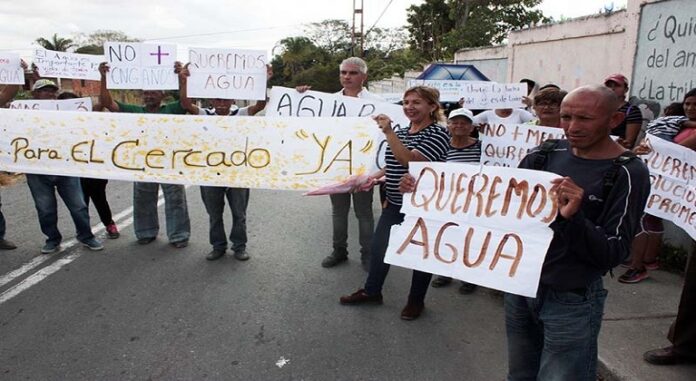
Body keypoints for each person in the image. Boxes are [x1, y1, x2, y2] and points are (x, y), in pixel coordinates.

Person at [505, 85, 650, 380]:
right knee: (520, 374)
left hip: (570, 299)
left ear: (614, 119)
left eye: (584, 118)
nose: (572, 127)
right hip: (521, 288)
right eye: (566, 116)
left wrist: (574, 218)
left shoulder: (627, 171)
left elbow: (613, 252)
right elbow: (495, 206)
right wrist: (427, 192)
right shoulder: (543, 155)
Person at [339, 86, 450, 320]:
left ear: (432, 106)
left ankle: (415, 300)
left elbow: (409, 161)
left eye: (416, 102)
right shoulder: (404, 131)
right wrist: (373, 177)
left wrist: (389, 132)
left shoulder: (438, 134)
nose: (409, 107)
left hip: (425, 207)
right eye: (406, 102)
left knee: (421, 254)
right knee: (380, 249)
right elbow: (393, 163)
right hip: (395, 203)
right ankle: (372, 291)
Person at [178, 64, 272, 261]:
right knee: (214, 215)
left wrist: (264, 80)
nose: (221, 103)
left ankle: (239, 246)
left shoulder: (242, 114)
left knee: (239, 214)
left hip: (238, 175)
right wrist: (184, 81)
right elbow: (186, 104)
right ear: (212, 100)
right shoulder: (205, 115)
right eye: (218, 99)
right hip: (211, 175)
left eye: (225, 99)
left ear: (232, 100)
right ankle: (218, 246)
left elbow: (261, 105)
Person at [301, 57, 381, 270]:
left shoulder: (377, 103)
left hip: (364, 168)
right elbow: (307, 125)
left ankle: (367, 254)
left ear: (364, 76)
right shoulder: (327, 102)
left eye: (353, 73)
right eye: (343, 72)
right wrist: (300, 97)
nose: (347, 76)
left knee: (364, 213)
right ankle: (339, 251)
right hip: (336, 166)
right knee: (339, 211)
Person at [98, 62, 190, 248]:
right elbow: (107, 103)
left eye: (153, 93)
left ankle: (179, 236)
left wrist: (182, 80)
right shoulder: (134, 111)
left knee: (175, 200)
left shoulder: (172, 109)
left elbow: (186, 102)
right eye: (146, 93)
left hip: (169, 162)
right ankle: (146, 233)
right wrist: (103, 77)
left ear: (162, 95)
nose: (149, 96)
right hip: (143, 162)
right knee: (143, 198)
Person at [400, 107, 482, 295]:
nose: (459, 126)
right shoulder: (441, 145)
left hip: (472, 202)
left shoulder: (483, 146)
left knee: (468, 238)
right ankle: (445, 273)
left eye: (464, 123)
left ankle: (468, 277)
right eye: (454, 122)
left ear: (471, 127)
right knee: (446, 237)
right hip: (445, 202)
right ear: (449, 125)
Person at [19, 80, 104, 253]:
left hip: (65, 167)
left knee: (78, 206)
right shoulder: (21, 113)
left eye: (52, 91)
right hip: (37, 170)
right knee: (45, 209)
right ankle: (52, 239)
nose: (50, 94)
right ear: (34, 95)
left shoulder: (67, 113)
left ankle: (86, 236)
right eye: (44, 91)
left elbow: (93, 113)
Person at [619, 92, 696, 283]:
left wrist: (654, 148)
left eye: (695, 104)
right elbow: (656, 147)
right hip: (663, 181)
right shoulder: (678, 123)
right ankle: (645, 261)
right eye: (687, 103)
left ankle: (638, 266)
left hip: (678, 184)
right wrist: (643, 150)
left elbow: (675, 152)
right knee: (649, 218)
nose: (690, 108)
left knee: (643, 219)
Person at [55, 91, 120, 239]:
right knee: (80, 203)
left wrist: (103, 77)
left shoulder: (90, 117)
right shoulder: (57, 124)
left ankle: (109, 223)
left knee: (99, 198)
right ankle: (84, 231)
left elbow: (103, 103)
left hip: (94, 168)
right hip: (73, 170)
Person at [604, 73, 643, 148]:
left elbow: (628, 143)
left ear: (626, 89)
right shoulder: (600, 107)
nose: (612, 89)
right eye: (609, 86)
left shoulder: (632, 111)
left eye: (617, 86)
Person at [470, 106, 535, 128]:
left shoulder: (520, 113)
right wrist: (465, 107)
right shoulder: (488, 114)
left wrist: (531, 105)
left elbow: (537, 121)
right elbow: (470, 121)